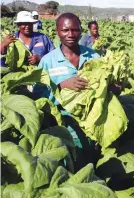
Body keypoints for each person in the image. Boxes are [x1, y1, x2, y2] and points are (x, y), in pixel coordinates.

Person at [36, 13, 100, 171]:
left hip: (93, 122)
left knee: (91, 165)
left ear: (80, 31)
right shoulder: (48, 61)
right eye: (65, 30)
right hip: (64, 125)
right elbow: (38, 96)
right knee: (70, 167)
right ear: (57, 31)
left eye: (75, 30)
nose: (71, 34)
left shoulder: (94, 56)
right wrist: (60, 85)